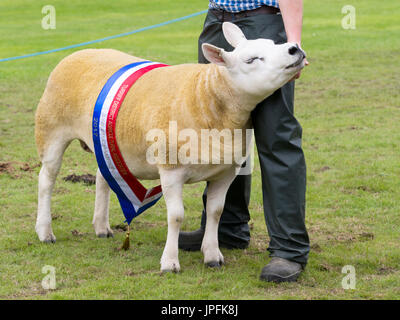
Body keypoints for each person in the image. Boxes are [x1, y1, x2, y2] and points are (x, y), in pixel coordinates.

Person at [178, 0, 310, 283]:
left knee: (276, 137)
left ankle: (289, 248)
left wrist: (293, 44)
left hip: (263, 27)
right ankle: (226, 228)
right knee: (221, 136)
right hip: (218, 25)